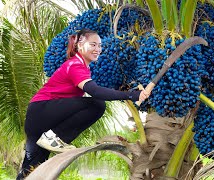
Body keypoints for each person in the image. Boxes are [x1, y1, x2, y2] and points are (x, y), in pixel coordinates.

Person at [16, 29, 150, 179]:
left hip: (39, 117)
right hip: (42, 111)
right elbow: (95, 91)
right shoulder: (75, 65)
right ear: (80, 44)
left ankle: (51, 139)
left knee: (32, 169)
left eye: (99, 46)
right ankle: (54, 138)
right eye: (93, 44)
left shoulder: (81, 66)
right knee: (97, 104)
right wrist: (131, 94)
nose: (97, 49)